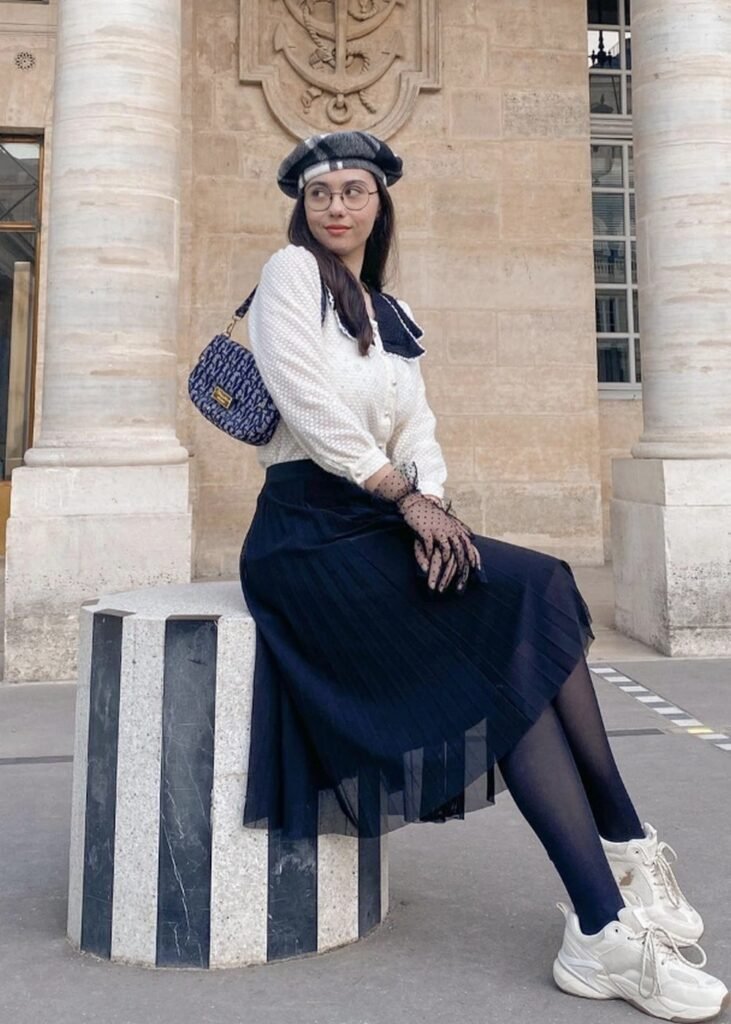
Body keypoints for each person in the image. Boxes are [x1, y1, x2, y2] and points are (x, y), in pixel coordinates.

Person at [238, 130, 728, 1022]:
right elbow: (304, 401)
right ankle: (612, 879)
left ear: (379, 204)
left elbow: (419, 425)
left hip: (381, 517)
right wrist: (401, 495)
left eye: (354, 191)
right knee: (527, 600)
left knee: (528, 600)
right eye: (321, 195)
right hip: (308, 536)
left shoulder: (391, 311)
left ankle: (607, 899)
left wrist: (429, 500)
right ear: (302, 209)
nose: (337, 207)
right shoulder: (289, 276)